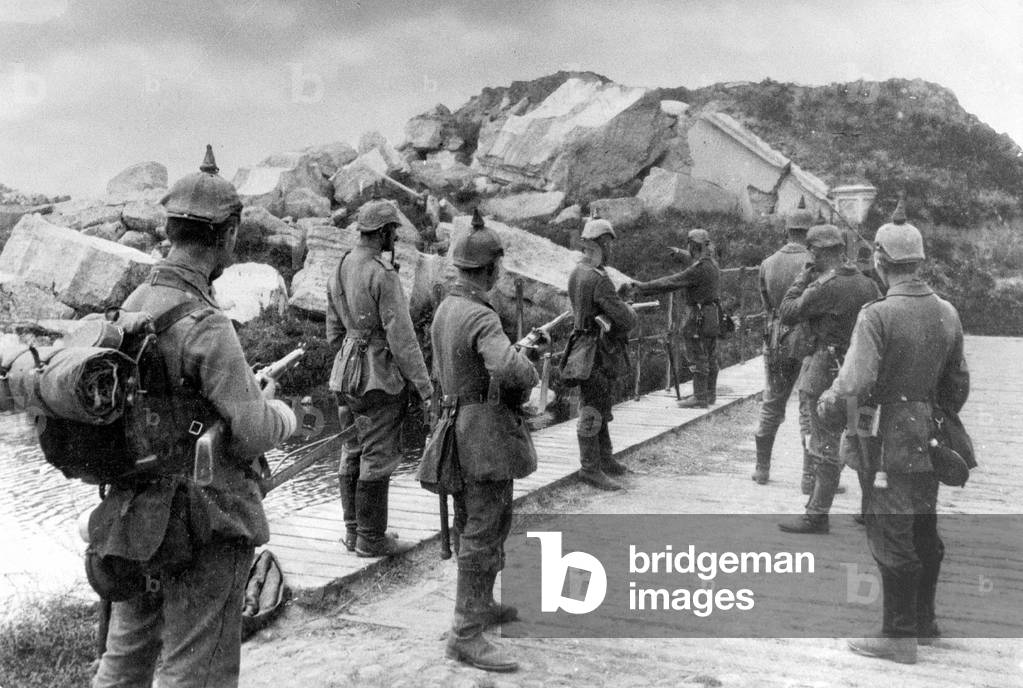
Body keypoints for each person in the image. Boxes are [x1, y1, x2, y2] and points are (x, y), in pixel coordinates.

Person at [92, 146, 298, 688]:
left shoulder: (135, 301)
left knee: (124, 662)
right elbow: (252, 434)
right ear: (228, 234)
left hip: (134, 516)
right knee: (196, 670)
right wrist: (279, 411)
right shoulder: (208, 324)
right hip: (202, 519)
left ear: (170, 227)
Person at [818, 211, 968, 664]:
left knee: (888, 531)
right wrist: (929, 415)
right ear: (919, 262)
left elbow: (852, 386)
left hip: (884, 441)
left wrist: (826, 407)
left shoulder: (877, 315)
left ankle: (898, 635)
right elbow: (958, 384)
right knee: (924, 525)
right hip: (931, 438)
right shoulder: (947, 311)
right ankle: (924, 622)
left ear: (880, 262)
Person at [431, 209, 540, 672]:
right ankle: (466, 634)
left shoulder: (446, 309)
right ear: (492, 270)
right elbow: (510, 371)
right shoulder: (481, 316)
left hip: (455, 430)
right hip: (485, 437)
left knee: (474, 522)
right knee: (485, 526)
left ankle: (480, 607)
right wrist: (527, 365)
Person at [326, 199, 433, 557]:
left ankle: (354, 532)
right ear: (385, 232)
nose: (394, 239)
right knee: (377, 454)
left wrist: (347, 357)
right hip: (377, 377)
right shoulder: (381, 274)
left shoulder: (340, 265)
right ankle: (371, 539)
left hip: (345, 374)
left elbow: (332, 330)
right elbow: (402, 338)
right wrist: (424, 387)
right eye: (393, 232)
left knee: (351, 448)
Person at [776, 224, 880, 534]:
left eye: (813, 253)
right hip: (860, 371)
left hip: (826, 374)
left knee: (824, 443)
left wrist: (802, 277)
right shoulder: (868, 284)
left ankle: (817, 514)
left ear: (818, 253)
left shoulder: (824, 285)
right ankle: (869, 511)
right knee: (861, 439)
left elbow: (787, 311)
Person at [567, 218, 638, 491]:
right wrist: (627, 307)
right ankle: (590, 468)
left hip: (583, 346)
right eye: (608, 243)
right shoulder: (599, 279)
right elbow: (626, 319)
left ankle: (605, 459)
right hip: (597, 351)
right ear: (600, 244)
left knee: (599, 401)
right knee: (593, 406)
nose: (610, 249)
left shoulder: (577, 272)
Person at [753, 202, 814, 486]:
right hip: (809, 340)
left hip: (777, 339)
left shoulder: (768, 263)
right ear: (809, 232)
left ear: (787, 230)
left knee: (772, 402)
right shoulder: (815, 262)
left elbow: (767, 305)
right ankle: (809, 476)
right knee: (809, 406)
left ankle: (762, 469)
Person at [629, 228, 720, 408]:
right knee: (710, 355)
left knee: (697, 355)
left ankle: (700, 397)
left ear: (693, 246)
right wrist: (679, 253)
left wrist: (643, 287)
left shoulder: (698, 270)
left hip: (698, 317)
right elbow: (695, 259)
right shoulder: (712, 264)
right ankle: (709, 394)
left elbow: (671, 282)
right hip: (713, 315)